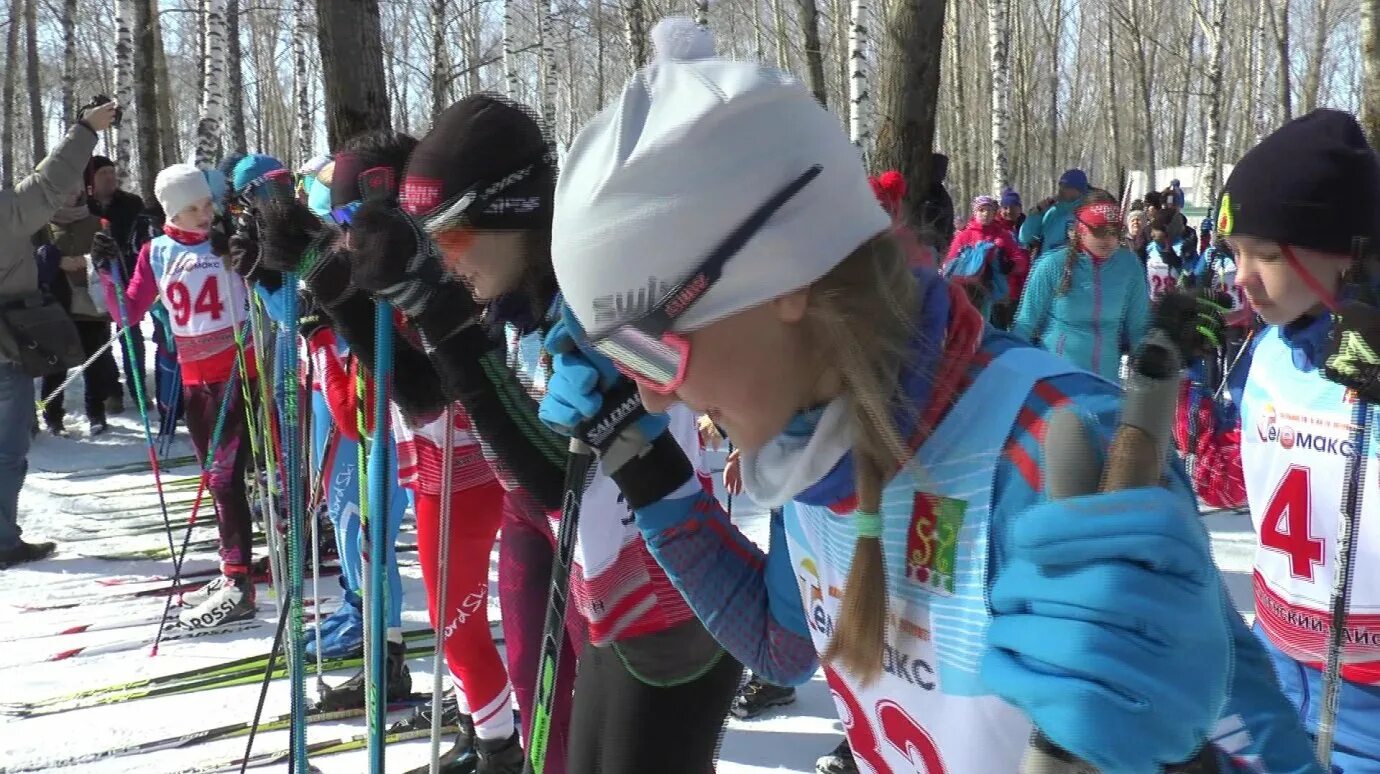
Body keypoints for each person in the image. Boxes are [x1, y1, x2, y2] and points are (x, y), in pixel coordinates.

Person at [536, 44, 1321, 773]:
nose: (650, 390)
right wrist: (639, 457)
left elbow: (1261, 749)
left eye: (646, 346)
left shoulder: (1054, 457)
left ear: (784, 275)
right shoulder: (812, 436)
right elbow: (784, 642)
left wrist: (1177, 761)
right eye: (618, 358)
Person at [326, 87, 741, 772]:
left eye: (453, 237)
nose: (449, 260)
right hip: (600, 601)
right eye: (433, 244)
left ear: (514, 213)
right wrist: (356, 293)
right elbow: (438, 397)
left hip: (670, 620)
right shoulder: (522, 304)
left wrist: (636, 377)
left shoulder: (605, 291)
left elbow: (682, 375)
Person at [1190, 109, 1380, 770]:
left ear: (1346, 252)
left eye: (1265, 255)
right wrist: (1180, 393)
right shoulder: (1265, 350)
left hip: (1365, 707)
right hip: (1268, 677)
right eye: (1235, 252)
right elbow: (1228, 487)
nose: (1242, 274)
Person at [95, 163, 259, 628]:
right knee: (217, 480)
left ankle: (239, 580)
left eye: (207, 204)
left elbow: (265, 286)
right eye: (193, 208)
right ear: (172, 210)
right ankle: (235, 570)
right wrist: (104, 269)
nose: (205, 214)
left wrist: (249, 257)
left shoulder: (225, 244)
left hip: (238, 376)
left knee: (227, 480)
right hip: (195, 382)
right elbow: (126, 314)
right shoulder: (156, 252)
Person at [0, 99, 117, 570]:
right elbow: (50, 183)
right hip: (6, 351)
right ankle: (3, 540)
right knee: (7, 451)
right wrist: (86, 129)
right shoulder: (6, 212)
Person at [37, 191, 116, 436]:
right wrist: (56, 261)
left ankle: (96, 413)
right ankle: (53, 416)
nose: (68, 194)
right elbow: (29, 260)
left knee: (95, 362)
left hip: (90, 304)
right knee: (55, 365)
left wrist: (91, 259)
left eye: (72, 188)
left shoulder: (96, 223)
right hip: (55, 304)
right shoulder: (41, 225)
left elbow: (110, 257)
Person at [86, 155, 146, 414]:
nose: (110, 177)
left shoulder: (131, 203)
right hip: (98, 280)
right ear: (91, 180)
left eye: (112, 172)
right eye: (103, 174)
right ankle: (112, 392)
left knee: (131, 336)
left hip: (130, 277)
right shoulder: (84, 207)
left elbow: (142, 236)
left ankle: (139, 390)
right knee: (101, 341)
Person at [944, 194, 1027, 325]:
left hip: (995, 292)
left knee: (988, 327)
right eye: (981, 210)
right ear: (975, 212)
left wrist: (1010, 265)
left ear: (995, 212)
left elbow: (1020, 260)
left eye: (989, 210)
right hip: (967, 290)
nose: (985, 214)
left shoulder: (1002, 235)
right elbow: (949, 263)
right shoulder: (964, 236)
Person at [1017, 168, 1088, 261]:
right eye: (1060, 185)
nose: (1061, 190)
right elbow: (1025, 238)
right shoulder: (1051, 211)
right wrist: (1036, 213)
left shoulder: (1086, 212)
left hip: (1072, 268)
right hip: (1045, 266)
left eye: (1066, 187)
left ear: (1078, 190)